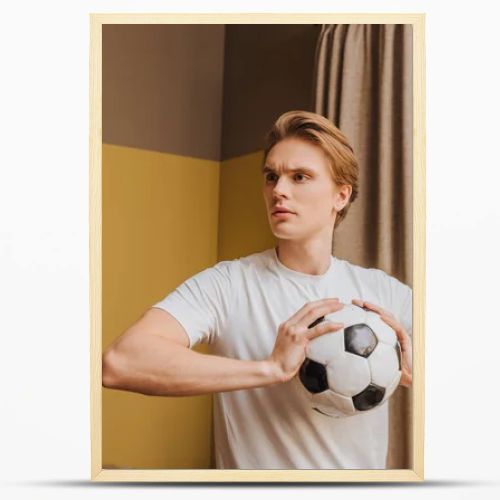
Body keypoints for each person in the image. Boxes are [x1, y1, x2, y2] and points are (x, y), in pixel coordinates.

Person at [102, 110, 413, 469]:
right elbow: (121, 362)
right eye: (271, 176)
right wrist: (269, 369)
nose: (278, 190)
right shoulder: (228, 284)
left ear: (340, 196)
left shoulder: (384, 294)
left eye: (300, 177)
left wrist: (414, 371)